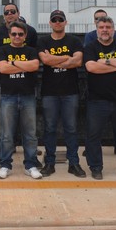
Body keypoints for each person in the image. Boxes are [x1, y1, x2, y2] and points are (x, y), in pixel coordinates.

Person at [84, 16, 116, 180]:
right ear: (97, 29)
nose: (105, 30)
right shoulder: (91, 46)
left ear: (113, 29)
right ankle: (96, 167)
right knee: (93, 135)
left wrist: (105, 61)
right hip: (97, 100)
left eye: (108, 27)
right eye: (102, 27)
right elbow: (91, 67)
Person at [37, 10, 86, 178]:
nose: (57, 22)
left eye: (60, 20)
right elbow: (46, 60)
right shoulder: (43, 41)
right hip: (49, 92)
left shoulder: (74, 41)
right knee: (49, 129)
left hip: (70, 92)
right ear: (50, 23)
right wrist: (66, 58)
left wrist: (56, 60)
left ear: (66, 22)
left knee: (71, 129)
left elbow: (78, 61)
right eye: (54, 20)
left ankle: (74, 163)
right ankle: (49, 163)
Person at [0, 3, 38, 169]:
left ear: (18, 13)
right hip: (5, 87)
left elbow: (34, 64)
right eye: (6, 12)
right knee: (2, 125)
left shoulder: (31, 32)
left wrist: (12, 63)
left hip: (27, 89)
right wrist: (19, 65)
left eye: (13, 11)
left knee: (30, 130)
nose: (10, 14)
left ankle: (31, 161)